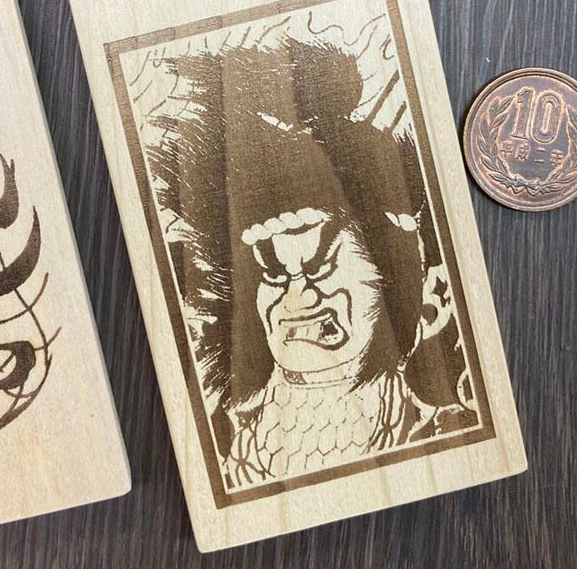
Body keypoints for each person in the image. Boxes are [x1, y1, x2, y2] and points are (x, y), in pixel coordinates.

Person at [147, 35, 478, 487]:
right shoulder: (216, 442)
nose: (297, 297)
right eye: (272, 273)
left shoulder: (447, 433)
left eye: (320, 266)